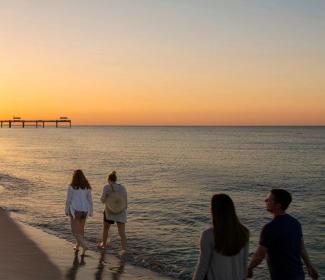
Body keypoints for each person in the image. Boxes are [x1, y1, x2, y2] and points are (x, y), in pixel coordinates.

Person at [247, 189, 319, 280]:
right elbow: (301, 248)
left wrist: (249, 268)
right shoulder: (295, 223)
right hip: (298, 275)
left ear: (278, 205)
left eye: (269, 200)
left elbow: (259, 255)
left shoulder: (270, 228)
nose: (265, 201)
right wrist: (310, 267)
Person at [193, 194, 249, 280]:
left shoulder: (209, 235)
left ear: (214, 211)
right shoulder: (244, 232)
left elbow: (203, 265)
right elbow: (244, 263)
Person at [97, 171, 127, 255]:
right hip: (121, 212)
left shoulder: (107, 187)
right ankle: (123, 249)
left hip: (109, 212)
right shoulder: (123, 188)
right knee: (122, 232)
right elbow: (125, 201)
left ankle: (103, 245)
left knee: (106, 229)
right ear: (116, 180)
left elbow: (102, 200)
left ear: (109, 179)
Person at [65, 169, 93, 256]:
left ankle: (84, 245)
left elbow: (68, 200)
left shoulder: (71, 187)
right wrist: (91, 211)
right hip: (85, 210)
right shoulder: (87, 187)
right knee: (81, 230)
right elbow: (90, 200)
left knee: (75, 232)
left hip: (75, 210)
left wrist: (66, 210)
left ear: (74, 177)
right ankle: (78, 246)